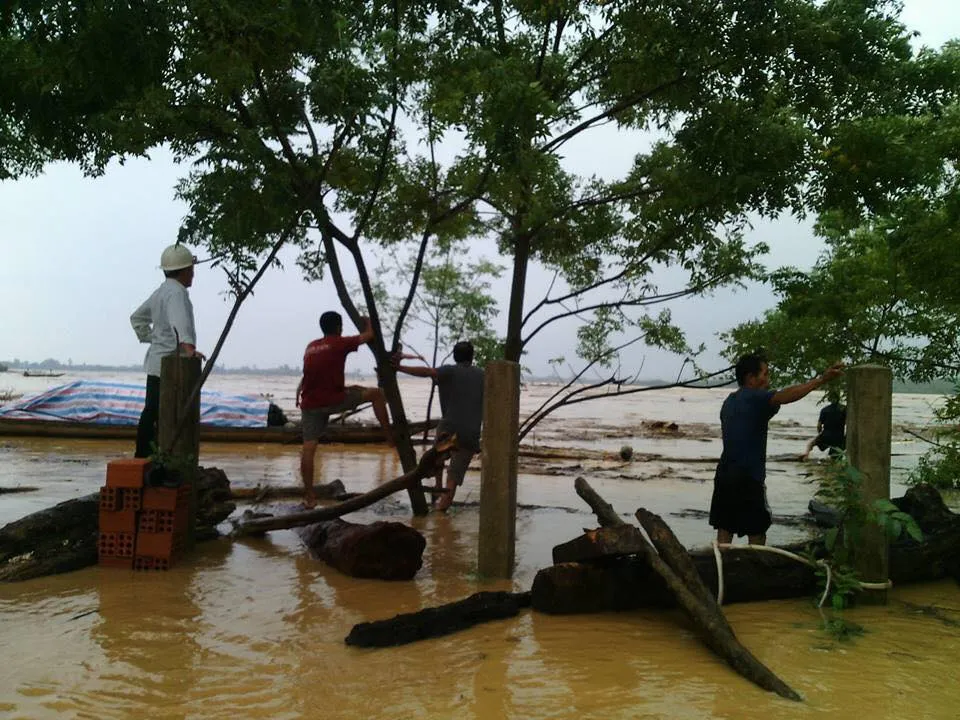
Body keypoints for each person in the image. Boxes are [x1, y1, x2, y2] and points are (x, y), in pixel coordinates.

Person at [709, 354, 844, 546]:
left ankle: (721, 569)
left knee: (725, 530)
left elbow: (766, 410)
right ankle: (755, 569)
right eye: (765, 374)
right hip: (749, 478)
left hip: (724, 476)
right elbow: (786, 396)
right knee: (757, 532)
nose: (768, 379)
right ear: (751, 378)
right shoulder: (755, 398)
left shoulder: (730, 401)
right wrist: (822, 379)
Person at [297, 311, 393, 508]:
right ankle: (389, 437)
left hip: (310, 403)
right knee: (376, 394)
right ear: (339, 328)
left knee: (308, 448)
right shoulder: (339, 343)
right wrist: (368, 321)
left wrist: (299, 390)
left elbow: (308, 373)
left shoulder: (311, 347)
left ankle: (309, 497)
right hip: (333, 399)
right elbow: (369, 335)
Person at [130, 244, 205, 459]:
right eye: (191, 269)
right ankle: (158, 459)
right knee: (168, 415)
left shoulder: (161, 291)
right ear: (183, 271)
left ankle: (142, 456)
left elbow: (137, 319)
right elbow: (179, 321)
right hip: (171, 368)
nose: (193, 274)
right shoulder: (176, 293)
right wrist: (189, 349)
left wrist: (152, 338)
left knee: (151, 412)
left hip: (156, 364)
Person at [394, 340, 484, 511]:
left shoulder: (449, 371)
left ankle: (437, 486)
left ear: (455, 355)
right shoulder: (482, 375)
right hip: (471, 432)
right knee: (454, 475)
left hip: (449, 428)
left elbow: (427, 372)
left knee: (437, 459)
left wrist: (400, 368)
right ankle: (443, 507)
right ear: (472, 357)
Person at [800, 394, 847, 461]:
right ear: (839, 399)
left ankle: (806, 455)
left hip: (826, 435)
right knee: (835, 455)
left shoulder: (824, 410)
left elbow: (819, 425)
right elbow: (847, 423)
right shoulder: (844, 409)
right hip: (839, 436)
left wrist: (820, 433)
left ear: (829, 399)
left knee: (810, 444)